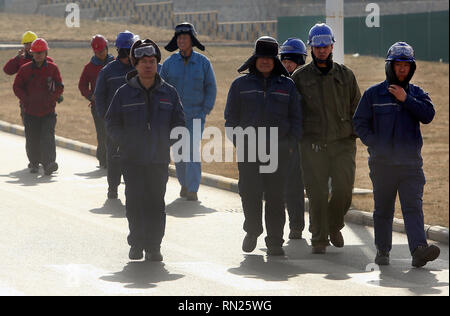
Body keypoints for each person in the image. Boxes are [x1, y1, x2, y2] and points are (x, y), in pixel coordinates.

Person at [353, 42, 440, 267]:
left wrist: (406, 99)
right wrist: (375, 144)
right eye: (398, 65)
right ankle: (383, 250)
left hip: (411, 165)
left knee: (413, 207)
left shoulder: (417, 93)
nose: (402, 69)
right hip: (382, 165)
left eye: (406, 65)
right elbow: (359, 123)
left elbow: (428, 114)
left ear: (412, 68)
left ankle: (419, 250)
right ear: (390, 66)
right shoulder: (373, 94)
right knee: (383, 210)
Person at [105, 39, 185, 261]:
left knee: (155, 203)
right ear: (135, 65)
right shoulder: (123, 93)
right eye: (143, 62)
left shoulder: (169, 93)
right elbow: (111, 122)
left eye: (152, 61)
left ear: (157, 63)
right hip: (131, 159)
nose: (148, 65)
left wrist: (166, 142)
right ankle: (136, 243)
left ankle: (154, 246)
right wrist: (125, 141)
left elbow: (179, 122)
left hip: (158, 159)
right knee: (134, 202)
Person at [225, 36, 302, 256]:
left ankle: (275, 240)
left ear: (275, 60)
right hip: (250, 150)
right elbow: (230, 119)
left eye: (270, 58)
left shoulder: (287, 85)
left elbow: (296, 119)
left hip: (279, 152)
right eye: (262, 57)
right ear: (255, 59)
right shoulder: (240, 85)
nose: (266, 62)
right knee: (249, 193)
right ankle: (252, 230)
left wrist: (289, 146)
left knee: (276, 196)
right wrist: (240, 141)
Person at [291, 23, 361, 254]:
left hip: (342, 144)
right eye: (317, 46)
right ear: (311, 47)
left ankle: (334, 225)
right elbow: (293, 112)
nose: (321, 49)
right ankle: (319, 238)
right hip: (312, 145)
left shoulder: (346, 75)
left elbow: (356, 108)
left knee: (343, 190)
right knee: (317, 193)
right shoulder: (299, 78)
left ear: (332, 46)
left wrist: (354, 133)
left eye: (325, 45)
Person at [161, 22, 217, 201]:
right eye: (179, 38)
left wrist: (205, 110)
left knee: (191, 150)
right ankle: (184, 184)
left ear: (192, 40)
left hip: (195, 116)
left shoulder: (203, 63)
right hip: (175, 117)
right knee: (179, 153)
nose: (181, 40)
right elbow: (161, 88)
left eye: (185, 38)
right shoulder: (169, 63)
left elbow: (211, 87)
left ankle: (193, 188)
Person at [94, 30, 137, 199]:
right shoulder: (108, 71)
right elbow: (99, 95)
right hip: (115, 122)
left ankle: (133, 186)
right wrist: (104, 115)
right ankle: (113, 187)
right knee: (113, 155)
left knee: (134, 154)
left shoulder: (138, 68)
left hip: (135, 121)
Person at [13, 38, 63, 175]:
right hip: (30, 111)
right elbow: (16, 87)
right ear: (32, 53)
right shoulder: (25, 69)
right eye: (36, 52)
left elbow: (59, 86)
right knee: (32, 138)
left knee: (48, 137)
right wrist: (26, 100)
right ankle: (34, 162)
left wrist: (52, 99)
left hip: (48, 111)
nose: (39, 55)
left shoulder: (53, 68)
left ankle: (49, 164)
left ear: (46, 53)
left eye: (41, 52)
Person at [280, 38, 307, 240]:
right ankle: (290, 227)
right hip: (284, 141)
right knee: (285, 185)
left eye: (292, 60)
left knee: (298, 186)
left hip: (305, 140)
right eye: (285, 60)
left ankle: (301, 225)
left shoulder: (307, 81)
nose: (287, 64)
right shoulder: (278, 81)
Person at [78, 34, 114, 169]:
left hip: (114, 105)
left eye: (103, 50)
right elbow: (82, 85)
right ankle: (103, 160)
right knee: (102, 133)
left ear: (107, 48)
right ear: (94, 51)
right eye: (98, 52)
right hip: (98, 106)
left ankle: (115, 158)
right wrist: (90, 96)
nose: (101, 54)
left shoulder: (114, 63)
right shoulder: (89, 67)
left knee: (114, 132)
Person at [4, 31, 54, 123]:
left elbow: (54, 81)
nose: (28, 46)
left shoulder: (48, 61)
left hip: (45, 104)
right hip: (27, 104)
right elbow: (7, 70)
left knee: (46, 133)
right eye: (26, 44)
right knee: (31, 133)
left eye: (31, 43)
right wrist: (17, 58)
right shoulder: (21, 60)